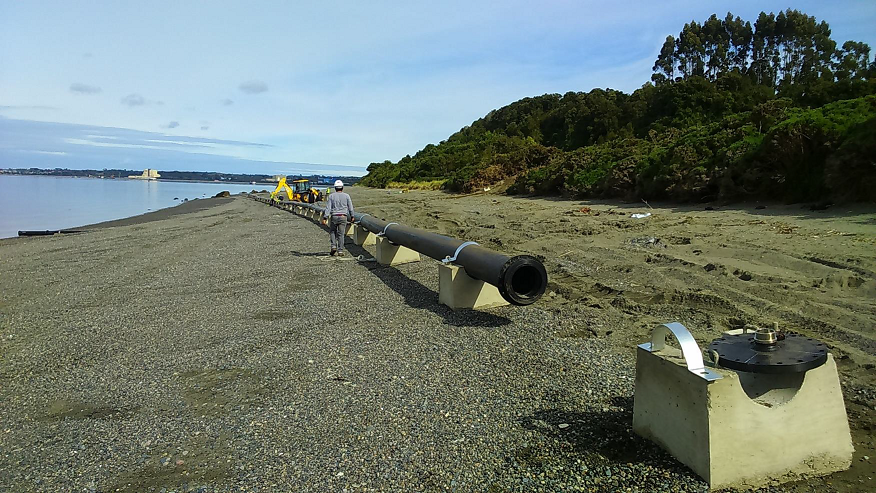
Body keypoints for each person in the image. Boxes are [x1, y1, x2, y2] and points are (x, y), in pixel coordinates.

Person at [322, 180, 355, 256]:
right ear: (342, 187)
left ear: (335, 188)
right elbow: (350, 207)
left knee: (333, 232)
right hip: (343, 216)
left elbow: (328, 208)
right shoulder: (347, 196)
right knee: (341, 234)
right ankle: (340, 250)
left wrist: (325, 217)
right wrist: (352, 216)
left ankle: (333, 246)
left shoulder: (331, 196)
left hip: (334, 216)